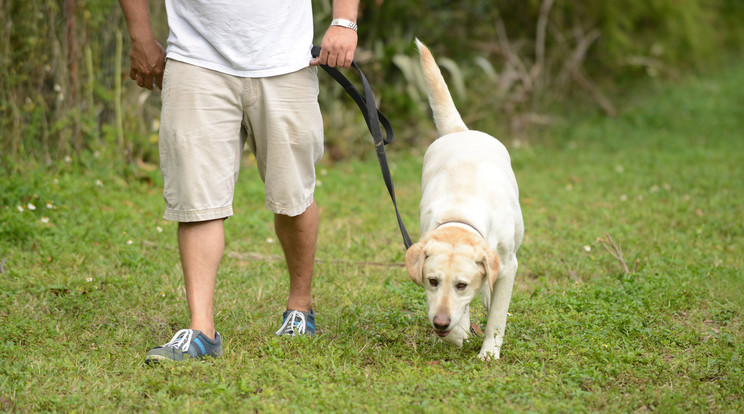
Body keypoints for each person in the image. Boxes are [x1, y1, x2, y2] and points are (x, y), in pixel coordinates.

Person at [118, 0, 359, 363]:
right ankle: (202, 330)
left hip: (286, 59)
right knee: (196, 199)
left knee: (293, 196)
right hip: (196, 58)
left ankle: (300, 307)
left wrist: (345, 21)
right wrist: (141, 37)